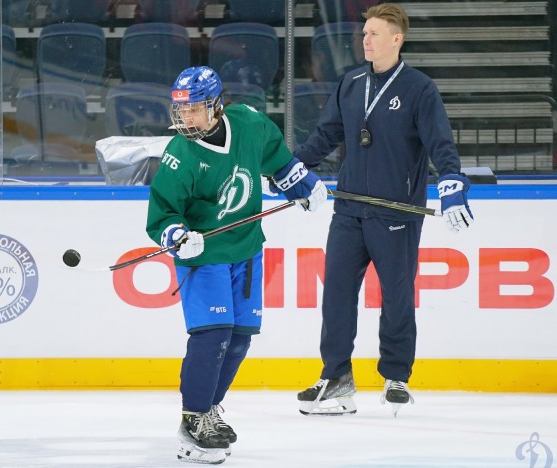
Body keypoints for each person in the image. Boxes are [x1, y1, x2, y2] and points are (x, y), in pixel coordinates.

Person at [294, 3, 473, 417]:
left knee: (396, 298)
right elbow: (325, 136)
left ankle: (396, 377)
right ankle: (336, 377)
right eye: (364, 33)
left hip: (397, 213)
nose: (366, 40)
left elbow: (440, 144)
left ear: (398, 38)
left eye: (375, 33)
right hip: (350, 211)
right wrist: (293, 168)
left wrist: (451, 183)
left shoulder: (419, 88)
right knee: (336, 295)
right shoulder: (351, 82)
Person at [146, 65, 328, 464]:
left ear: (216, 105)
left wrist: (307, 184)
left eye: (194, 109)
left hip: (247, 249)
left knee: (240, 337)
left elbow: (278, 163)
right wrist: (178, 235)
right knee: (213, 336)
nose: (186, 118)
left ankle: (210, 408)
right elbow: (161, 215)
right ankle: (193, 417)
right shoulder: (180, 155)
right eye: (182, 111)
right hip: (204, 256)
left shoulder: (249, 123)